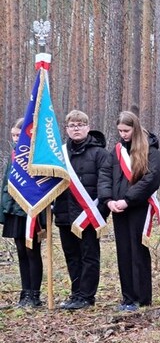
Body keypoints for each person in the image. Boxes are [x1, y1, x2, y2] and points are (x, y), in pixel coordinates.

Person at [99, 110, 160, 311]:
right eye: (120, 131)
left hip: (138, 207)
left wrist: (128, 200)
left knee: (138, 251)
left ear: (135, 128)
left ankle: (142, 298)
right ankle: (128, 297)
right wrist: (108, 200)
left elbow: (151, 179)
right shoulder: (116, 150)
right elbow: (105, 175)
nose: (123, 134)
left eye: (126, 130)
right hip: (118, 208)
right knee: (124, 252)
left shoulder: (150, 150)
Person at [53, 110, 112, 309]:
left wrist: (101, 212)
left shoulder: (100, 153)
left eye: (80, 125)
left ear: (88, 127)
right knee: (71, 255)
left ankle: (87, 296)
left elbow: (106, 184)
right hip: (64, 213)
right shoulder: (59, 154)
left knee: (89, 256)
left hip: (89, 215)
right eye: (72, 125)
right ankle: (75, 293)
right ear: (67, 129)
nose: (76, 128)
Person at [1, 119, 44, 308]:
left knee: (32, 251)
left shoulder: (37, 157)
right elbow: (5, 184)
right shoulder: (13, 156)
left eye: (19, 135)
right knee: (20, 251)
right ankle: (25, 292)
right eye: (14, 135)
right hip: (14, 209)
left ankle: (35, 294)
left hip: (32, 211)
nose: (16, 138)